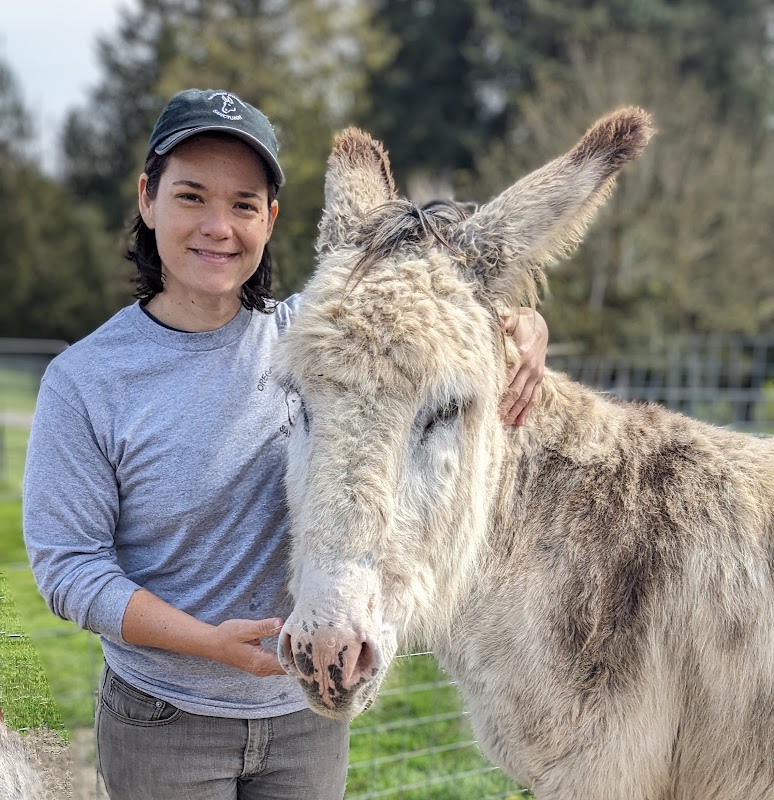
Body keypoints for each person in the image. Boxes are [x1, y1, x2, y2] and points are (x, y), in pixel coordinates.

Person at [23, 88, 548, 800]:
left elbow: (421, 315)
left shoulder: (315, 337)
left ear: (270, 220)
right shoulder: (85, 380)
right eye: (191, 197)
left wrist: (519, 325)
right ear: (147, 199)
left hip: (303, 716)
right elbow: (69, 569)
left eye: (243, 204)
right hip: (165, 721)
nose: (218, 226)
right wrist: (206, 644)